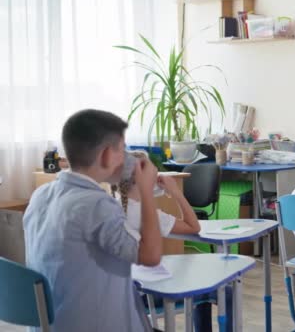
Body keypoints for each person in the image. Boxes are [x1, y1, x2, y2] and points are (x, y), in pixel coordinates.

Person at [23, 109, 161, 331]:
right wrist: (146, 190)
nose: (126, 157)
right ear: (106, 155)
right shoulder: (96, 205)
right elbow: (152, 256)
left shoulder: (41, 195)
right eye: (122, 150)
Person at [112, 150, 232, 332]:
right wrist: (176, 192)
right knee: (225, 292)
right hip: (146, 294)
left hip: (122, 294)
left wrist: (158, 188)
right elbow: (194, 227)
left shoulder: (115, 203)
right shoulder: (146, 213)